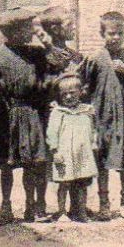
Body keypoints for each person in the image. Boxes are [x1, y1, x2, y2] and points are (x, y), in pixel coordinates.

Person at [0, 8, 54, 224]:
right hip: (8, 116)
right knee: (7, 164)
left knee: (36, 163)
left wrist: (49, 44)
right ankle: (6, 206)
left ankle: (35, 207)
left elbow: (61, 64)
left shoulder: (38, 53)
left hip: (35, 114)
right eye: (26, 27)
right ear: (11, 31)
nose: (31, 31)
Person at [81, 12, 124, 220]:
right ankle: (104, 203)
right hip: (103, 116)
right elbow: (85, 87)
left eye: (120, 33)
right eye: (111, 33)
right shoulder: (95, 57)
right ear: (102, 33)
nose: (116, 37)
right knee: (103, 158)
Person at [46, 74, 98, 223]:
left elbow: (92, 130)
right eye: (64, 94)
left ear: (80, 92)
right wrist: (55, 151)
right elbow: (52, 133)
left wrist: (94, 143)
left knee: (82, 184)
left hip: (82, 154)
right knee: (64, 183)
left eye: (72, 93)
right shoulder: (58, 112)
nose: (68, 97)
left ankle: (80, 211)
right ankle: (62, 211)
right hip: (64, 154)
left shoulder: (87, 111)